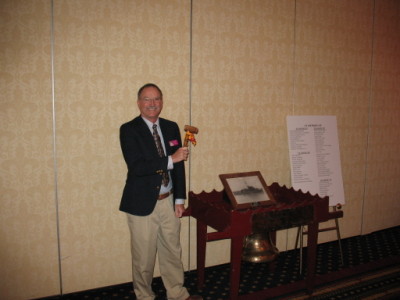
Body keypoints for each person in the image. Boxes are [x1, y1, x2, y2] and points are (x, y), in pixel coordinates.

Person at [119, 83, 199, 300]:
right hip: (142, 203)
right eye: (147, 99)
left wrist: (180, 199)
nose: (152, 104)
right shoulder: (129, 129)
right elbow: (137, 166)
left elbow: (179, 166)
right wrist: (170, 159)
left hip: (169, 199)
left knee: (173, 252)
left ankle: (178, 294)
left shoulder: (172, 127)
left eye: (156, 99)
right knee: (144, 259)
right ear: (139, 103)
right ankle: (144, 296)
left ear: (162, 102)